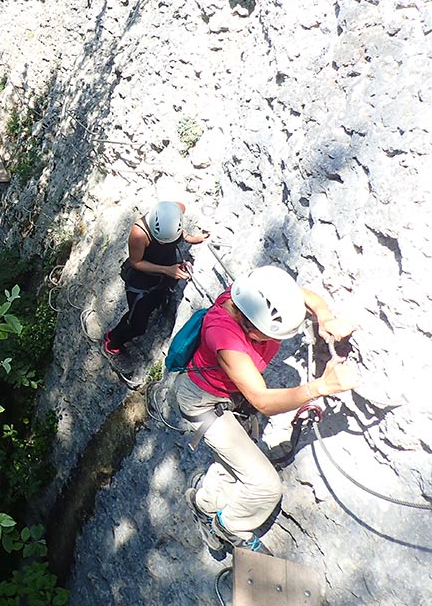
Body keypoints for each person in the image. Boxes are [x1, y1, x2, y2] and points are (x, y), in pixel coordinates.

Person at [175, 265, 358, 554]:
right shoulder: (223, 336)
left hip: (226, 395)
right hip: (202, 402)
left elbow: (303, 297)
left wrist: (324, 317)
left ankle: (204, 504)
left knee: (237, 459)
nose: (275, 343)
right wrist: (320, 387)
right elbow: (262, 399)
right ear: (251, 328)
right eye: (271, 336)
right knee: (265, 485)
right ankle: (229, 526)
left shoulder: (255, 296)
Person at [104, 201, 208, 356]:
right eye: (160, 240)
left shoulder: (175, 211)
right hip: (140, 283)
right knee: (138, 326)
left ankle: (116, 333)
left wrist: (191, 238)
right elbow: (136, 262)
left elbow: (178, 229)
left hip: (162, 276)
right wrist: (167, 270)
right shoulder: (139, 233)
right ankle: (113, 342)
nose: (162, 243)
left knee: (149, 308)